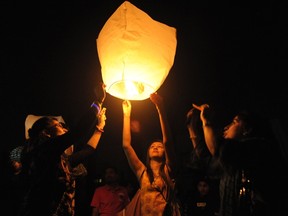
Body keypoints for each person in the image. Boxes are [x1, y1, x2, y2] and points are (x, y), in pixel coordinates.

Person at [17, 83, 107, 216]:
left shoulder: (60, 161)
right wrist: (98, 101)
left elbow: (88, 150)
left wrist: (99, 127)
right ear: (45, 133)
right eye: (58, 125)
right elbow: (77, 132)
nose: (65, 128)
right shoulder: (44, 150)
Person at [191, 103, 279, 216]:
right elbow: (206, 161)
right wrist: (191, 126)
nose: (226, 127)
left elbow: (217, 148)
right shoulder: (231, 160)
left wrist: (206, 121)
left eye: (234, 122)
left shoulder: (258, 148)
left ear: (247, 129)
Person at [120, 93, 181, 216]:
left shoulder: (169, 169)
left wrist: (160, 108)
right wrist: (126, 115)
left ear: (165, 152)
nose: (156, 147)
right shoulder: (142, 172)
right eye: (152, 146)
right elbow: (126, 146)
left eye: (159, 146)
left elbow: (167, 141)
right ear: (148, 152)